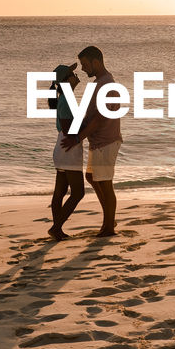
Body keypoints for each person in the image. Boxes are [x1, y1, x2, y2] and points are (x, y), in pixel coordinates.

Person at [61, 45, 122, 237]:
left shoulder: (107, 84)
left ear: (96, 62)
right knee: (91, 177)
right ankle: (109, 219)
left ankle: (109, 227)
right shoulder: (99, 83)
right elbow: (91, 115)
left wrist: (79, 137)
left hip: (106, 141)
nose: (83, 69)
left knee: (105, 183)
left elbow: (100, 118)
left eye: (85, 64)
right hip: (98, 142)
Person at [48, 62, 85, 240]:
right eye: (73, 74)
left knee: (60, 193)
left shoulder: (64, 97)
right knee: (78, 193)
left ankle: (58, 231)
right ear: (66, 80)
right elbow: (69, 128)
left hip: (61, 148)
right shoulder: (67, 99)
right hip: (68, 148)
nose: (76, 76)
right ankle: (56, 228)